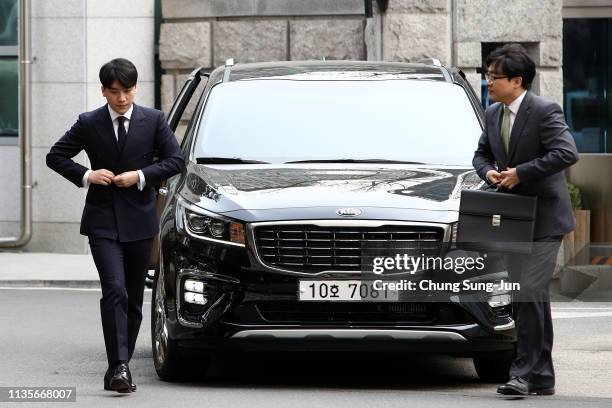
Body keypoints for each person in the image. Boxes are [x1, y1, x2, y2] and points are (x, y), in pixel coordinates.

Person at [46, 58, 184, 393]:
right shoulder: (89, 122)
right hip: (102, 220)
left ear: (136, 88)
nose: (121, 98)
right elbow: (55, 156)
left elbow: (176, 160)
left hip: (139, 220)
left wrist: (139, 176)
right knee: (115, 291)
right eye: (114, 91)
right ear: (104, 91)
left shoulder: (153, 120)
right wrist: (86, 175)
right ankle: (119, 367)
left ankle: (119, 363)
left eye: (127, 90)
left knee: (135, 298)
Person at [472, 44, 579, 396]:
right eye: (487, 76)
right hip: (513, 218)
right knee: (529, 297)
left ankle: (522, 373)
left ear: (517, 81)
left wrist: (522, 173)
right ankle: (542, 376)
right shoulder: (492, 113)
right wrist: (489, 173)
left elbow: (566, 153)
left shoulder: (545, 111)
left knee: (529, 290)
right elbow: (481, 153)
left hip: (546, 219)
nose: (489, 83)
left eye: (494, 77)